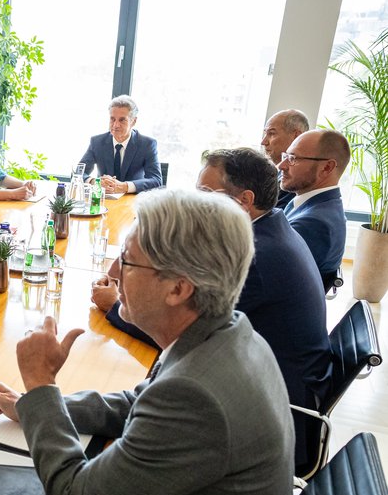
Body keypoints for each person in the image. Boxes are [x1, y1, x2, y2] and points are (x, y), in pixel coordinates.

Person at [0, 189, 299, 495]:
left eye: (126, 261)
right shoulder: (225, 331)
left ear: (178, 289)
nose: (112, 271)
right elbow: (136, 404)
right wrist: (32, 407)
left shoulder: (195, 394)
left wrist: (40, 384)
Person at [93, 148, 331, 467]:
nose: (198, 202)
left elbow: (185, 332)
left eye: (206, 193)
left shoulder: (254, 259)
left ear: (244, 200)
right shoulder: (271, 227)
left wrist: (115, 307)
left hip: (262, 415)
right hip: (266, 388)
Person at [278, 128, 350, 283]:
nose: (281, 165)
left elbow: (274, 279)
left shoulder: (314, 224)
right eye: (285, 156)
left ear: (327, 168)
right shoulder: (314, 203)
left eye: (293, 158)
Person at [78, 95, 162, 194]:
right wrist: (95, 182)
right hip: (103, 199)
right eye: (112, 119)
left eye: (122, 120)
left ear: (133, 121)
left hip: (132, 201)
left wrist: (124, 186)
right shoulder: (97, 142)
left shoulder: (147, 144)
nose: (116, 125)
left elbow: (156, 180)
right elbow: (79, 173)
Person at [260, 109, 310, 208]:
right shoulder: (274, 173)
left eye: (272, 133)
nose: (263, 142)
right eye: (265, 134)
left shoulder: (296, 178)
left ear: (296, 136)